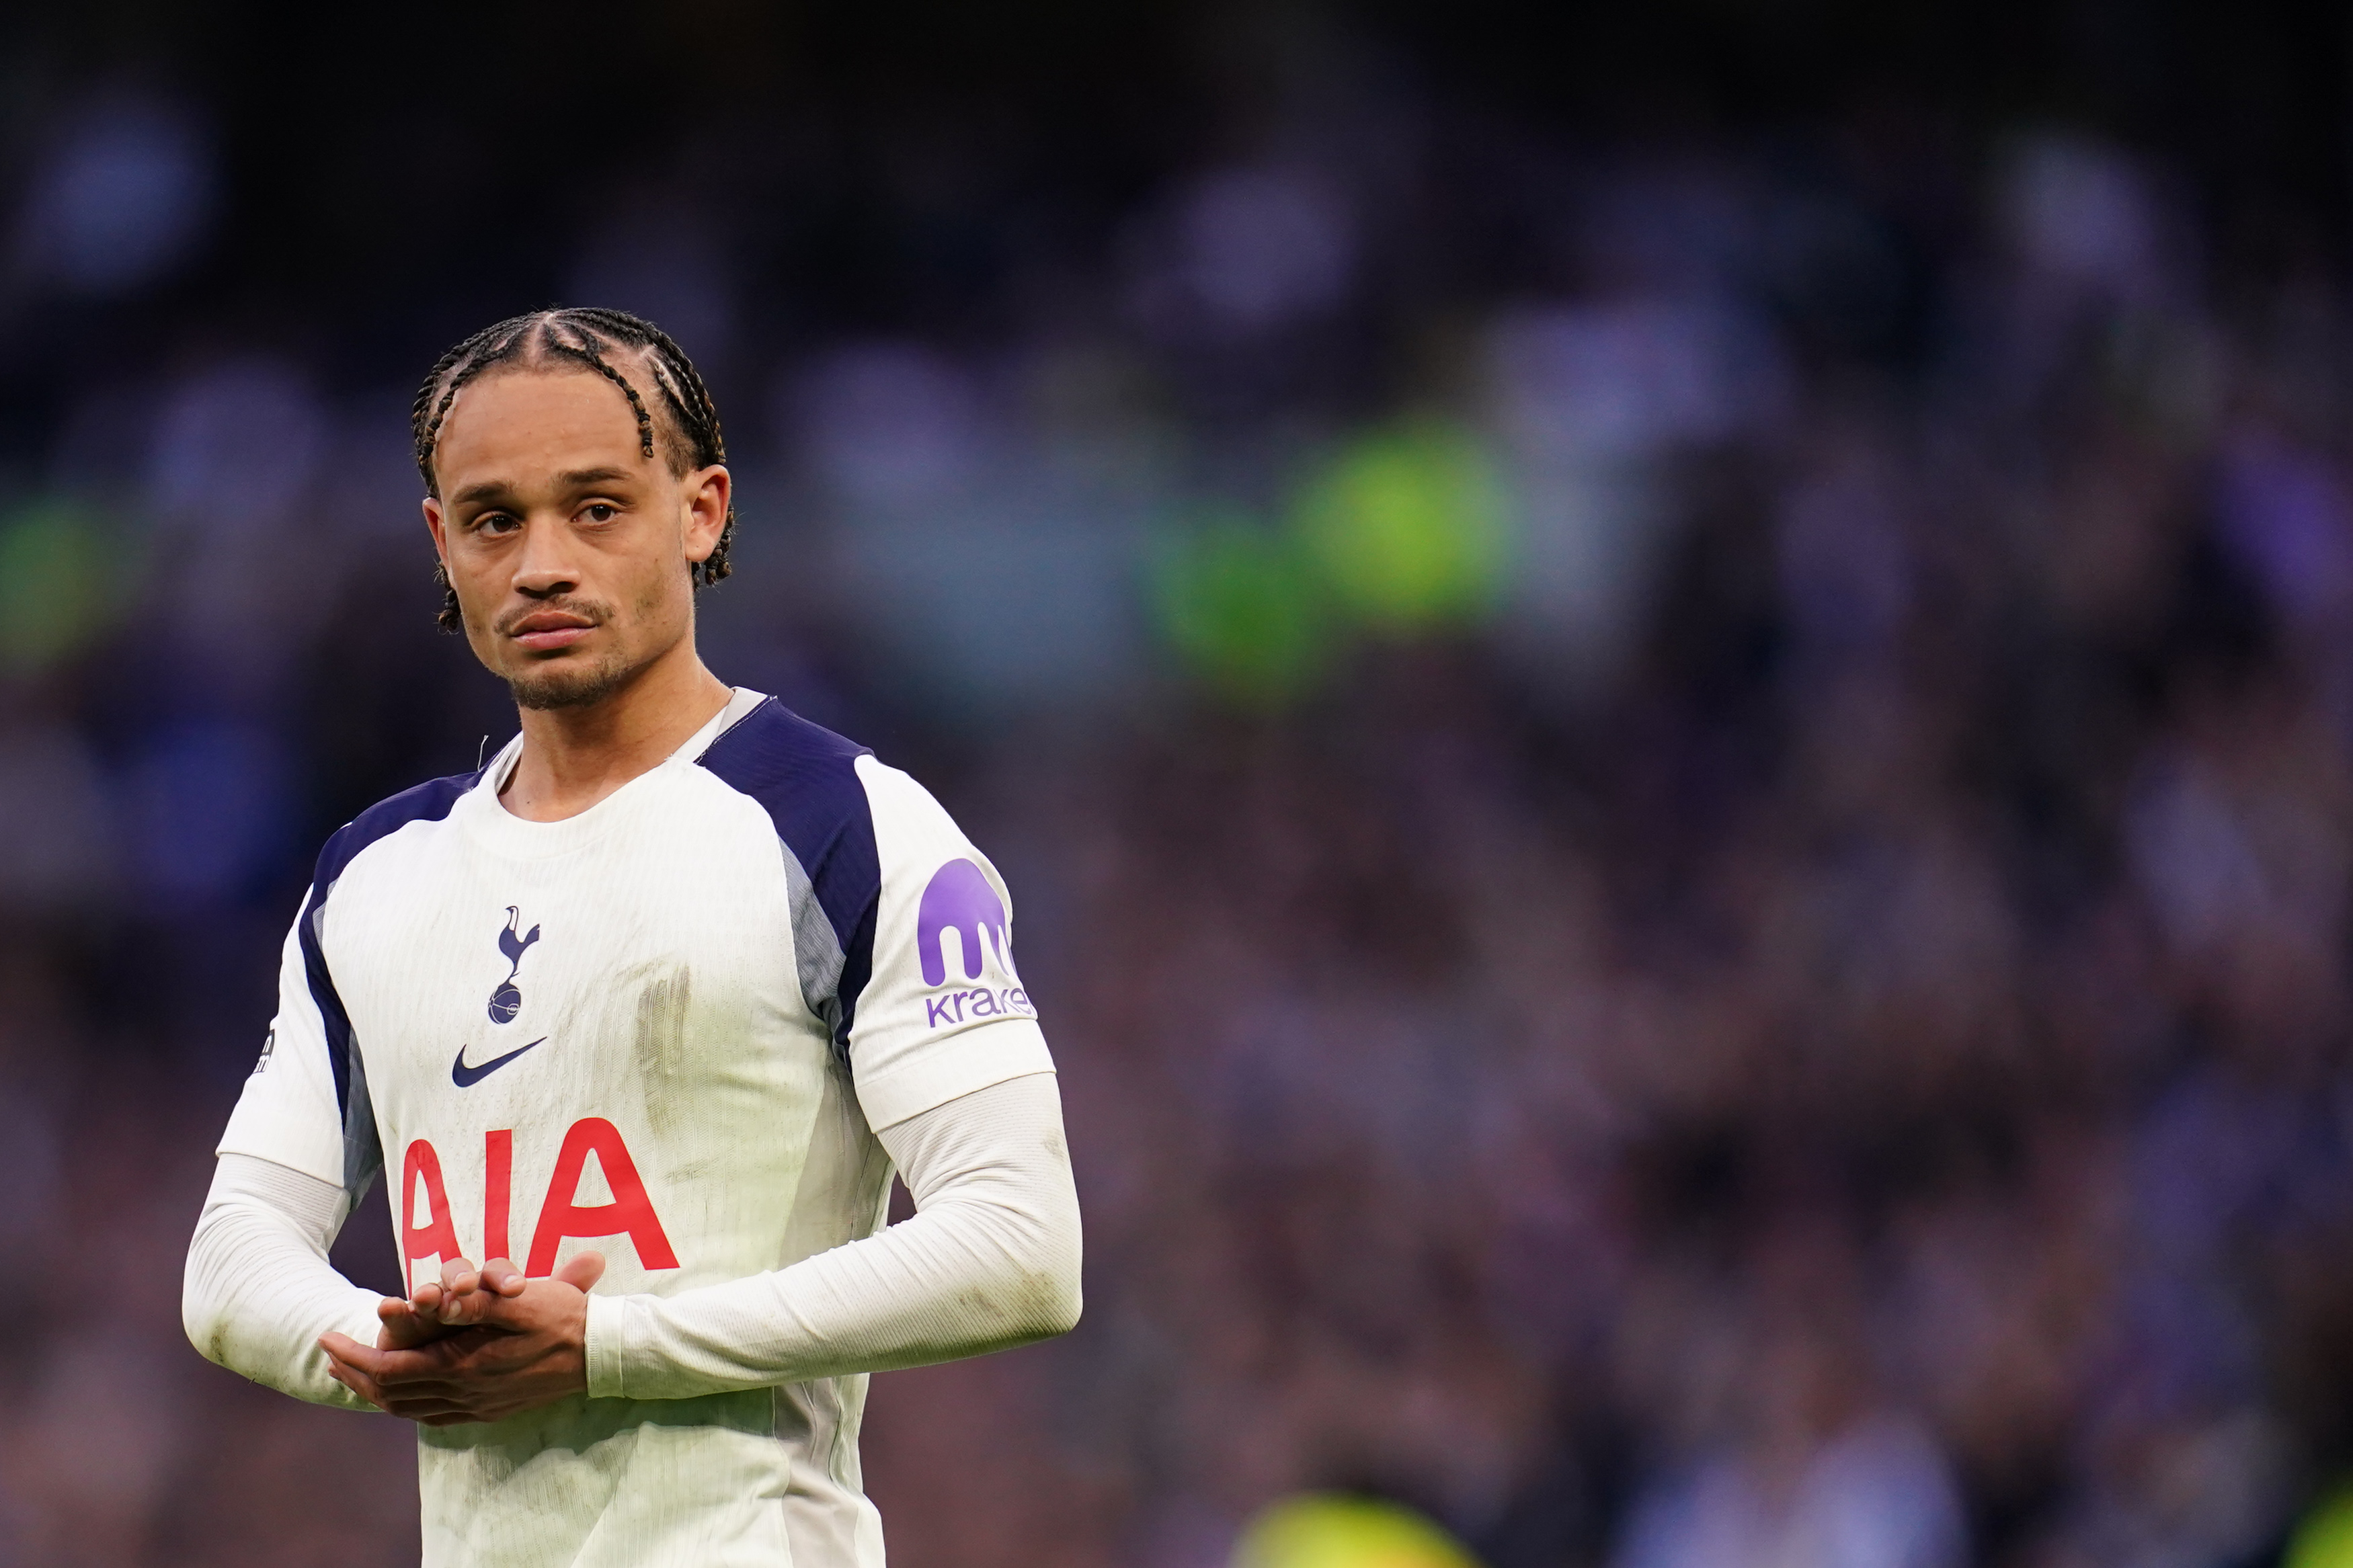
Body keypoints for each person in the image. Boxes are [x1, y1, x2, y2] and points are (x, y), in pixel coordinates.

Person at [181, 307, 1082, 1567]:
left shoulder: (847, 823)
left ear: (702, 511)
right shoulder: (374, 875)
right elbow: (230, 1263)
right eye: (495, 519)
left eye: (596, 508)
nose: (542, 562)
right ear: (442, 546)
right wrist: (413, 1352)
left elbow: (1021, 1244)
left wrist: (602, 1350)